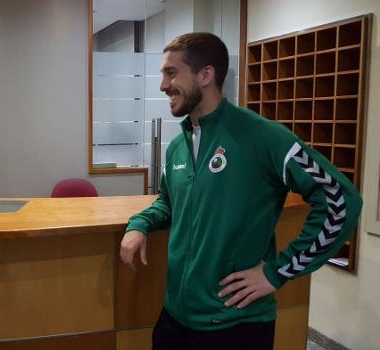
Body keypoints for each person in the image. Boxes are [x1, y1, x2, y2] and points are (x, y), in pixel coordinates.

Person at [120, 32, 362, 350]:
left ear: (206, 75)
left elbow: (340, 200)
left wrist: (278, 271)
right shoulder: (178, 146)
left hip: (236, 326)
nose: (163, 86)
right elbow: (169, 201)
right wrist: (140, 225)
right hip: (175, 320)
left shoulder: (263, 137)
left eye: (171, 73)